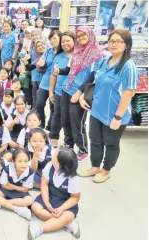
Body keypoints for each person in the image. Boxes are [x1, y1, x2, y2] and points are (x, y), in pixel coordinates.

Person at [78, 29, 138, 183]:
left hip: (114, 114)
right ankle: (95, 166)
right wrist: (83, 96)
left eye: (118, 41)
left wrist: (118, 117)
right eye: (111, 41)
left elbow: (128, 93)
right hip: (97, 110)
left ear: (126, 45)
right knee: (95, 140)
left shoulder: (128, 66)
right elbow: (93, 81)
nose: (114, 44)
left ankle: (106, 170)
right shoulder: (103, 61)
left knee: (111, 143)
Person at [59, 26, 103, 161]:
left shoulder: (98, 55)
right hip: (66, 90)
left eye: (84, 35)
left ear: (90, 35)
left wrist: (79, 93)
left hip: (80, 94)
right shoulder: (76, 52)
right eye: (78, 36)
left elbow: (93, 78)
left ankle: (83, 149)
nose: (81, 38)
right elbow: (68, 69)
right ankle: (69, 143)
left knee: (77, 122)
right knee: (65, 119)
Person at [28, 147, 80, 239]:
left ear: (60, 165)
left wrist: (62, 209)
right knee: (35, 207)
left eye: (55, 155)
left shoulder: (73, 178)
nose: (53, 154)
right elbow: (44, 184)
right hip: (49, 196)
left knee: (67, 215)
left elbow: (75, 198)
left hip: (65, 203)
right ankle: (67, 223)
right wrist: (46, 201)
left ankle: (38, 229)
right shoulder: (50, 165)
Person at [0, 149, 34, 220]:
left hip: (20, 193)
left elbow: (26, 189)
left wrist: (11, 186)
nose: (23, 164)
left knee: (30, 200)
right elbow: (3, 185)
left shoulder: (29, 172)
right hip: (7, 190)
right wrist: (12, 187)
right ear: (13, 161)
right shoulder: (8, 169)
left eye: (26, 161)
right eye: (20, 161)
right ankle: (18, 209)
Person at [48, 31, 75, 147]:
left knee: (70, 118)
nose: (65, 43)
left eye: (68, 40)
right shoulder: (58, 57)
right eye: (63, 41)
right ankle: (54, 136)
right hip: (59, 91)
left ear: (74, 41)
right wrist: (51, 91)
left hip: (74, 93)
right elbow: (53, 75)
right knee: (57, 114)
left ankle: (69, 142)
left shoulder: (79, 57)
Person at [35, 30, 63, 130]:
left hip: (57, 84)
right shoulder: (49, 51)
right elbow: (42, 65)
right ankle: (41, 123)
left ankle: (50, 126)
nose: (52, 41)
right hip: (44, 82)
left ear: (60, 38)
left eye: (55, 38)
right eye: (51, 39)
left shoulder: (64, 52)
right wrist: (41, 64)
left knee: (53, 108)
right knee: (39, 104)